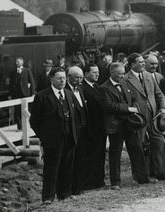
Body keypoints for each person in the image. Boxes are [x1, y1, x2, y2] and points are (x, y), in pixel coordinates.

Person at [30, 67, 82, 203]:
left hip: (69, 138)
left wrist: (74, 133)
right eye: (59, 78)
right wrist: (44, 137)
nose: (62, 80)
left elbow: (76, 116)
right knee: (51, 169)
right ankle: (48, 197)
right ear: (51, 79)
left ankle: (64, 194)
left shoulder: (69, 94)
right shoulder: (42, 97)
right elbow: (34, 121)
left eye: (64, 78)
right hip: (52, 140)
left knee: (67, 167)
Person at [100, 62, 151, 188]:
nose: (122, 76)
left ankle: (142, 178)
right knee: (115, 153)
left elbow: (133, 98)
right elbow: (109, 106)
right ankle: (115, 182)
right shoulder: (104, 88)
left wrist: (134, 107)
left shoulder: (125, 83)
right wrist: (128, 109)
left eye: (123, 73)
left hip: (129, 123)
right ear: (111, 73)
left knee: (137, 149)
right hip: (116, 125)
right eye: (119, 74)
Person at [124, 53, 165, 180]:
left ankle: (162, 172)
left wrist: (162, 107)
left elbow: (159, 94)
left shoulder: (148, 76)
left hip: (154, 117)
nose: (143, 64)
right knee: (139, 147)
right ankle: (142, 176)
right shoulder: (125, 79)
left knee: (159, 142)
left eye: (143, 62)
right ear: (132, 64)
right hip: (138, 118)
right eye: (140, 62)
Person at [80, 63, 107, 190]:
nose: (97, 74)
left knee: (100, 153)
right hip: (90, 128)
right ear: (86, 74)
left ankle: (98, 180)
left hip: (100, 127)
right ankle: (88, 182)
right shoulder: (82, 88)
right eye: (94, 72)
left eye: (98, 72)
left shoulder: (97, 87)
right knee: (90, 155)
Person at [65, 66, 89, 194]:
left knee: (81, 158)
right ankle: (70, 189)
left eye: (81, 78)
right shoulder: (65, 90)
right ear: (69, 77)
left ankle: (79, 187)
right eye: (77, 78)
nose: (79, 80)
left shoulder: (80, 88)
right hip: (72, 132)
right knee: (71, 161)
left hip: (83, 130)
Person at [8, 57, 36, 129]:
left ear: (22, 63)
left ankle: (27, 126)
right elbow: (11, 85)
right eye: (16, 61)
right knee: (17, 111)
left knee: (26, 110)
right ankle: (19, 127)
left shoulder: (27, 71)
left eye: (18, 61)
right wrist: (10, 94)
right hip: (16, 94)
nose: (16, 63)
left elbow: (32, 82)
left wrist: (32, 93)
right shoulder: (13, 73)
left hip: (25, 94)